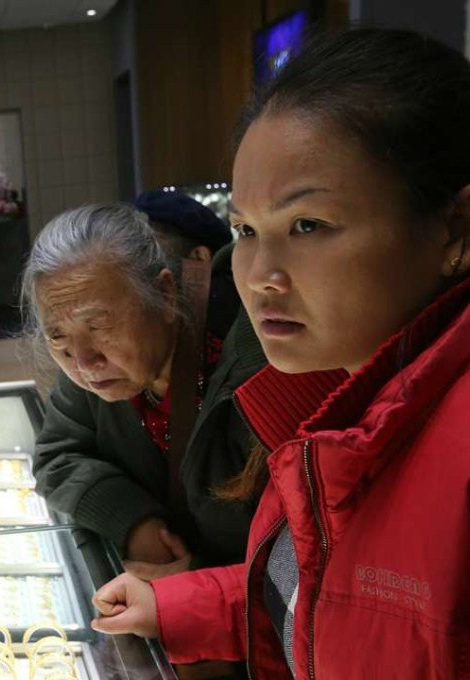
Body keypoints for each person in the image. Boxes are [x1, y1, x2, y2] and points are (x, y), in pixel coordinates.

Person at [91, 29, 470, 679]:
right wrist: (178, 604)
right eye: (244, 230)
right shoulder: (324, 404)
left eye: (307, 226)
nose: (260, 272)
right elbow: (333, 597)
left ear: (454, 229)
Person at [26, 197, 267, 582]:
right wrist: (134, 520)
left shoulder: (256, 366)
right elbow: (57, 456)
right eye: (59, 338)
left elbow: (300, 550)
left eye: (100, 325)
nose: (85, 363)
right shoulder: (96, 371)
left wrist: (197, 579)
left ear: (166, 296)